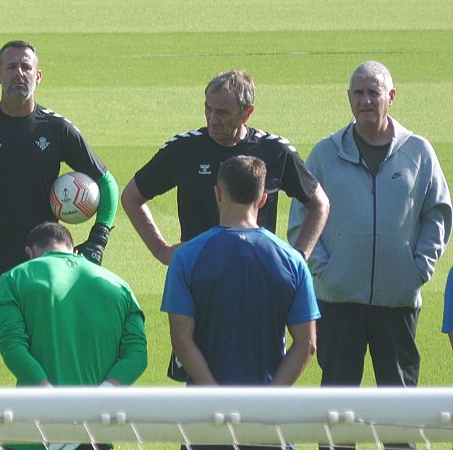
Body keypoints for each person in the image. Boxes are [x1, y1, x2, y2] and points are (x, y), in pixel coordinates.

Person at [122, 69, 329, 381]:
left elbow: (319, 203)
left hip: (256, 284)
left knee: (257, 370)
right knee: (195, 364)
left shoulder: (274, 151)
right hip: (200, 283)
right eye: (208, 108)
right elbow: (132, 196)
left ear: (247, 112)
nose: (212, 119)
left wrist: (300, 255)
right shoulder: (184, 150)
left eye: (223, 112)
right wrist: (161, 249)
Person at [0, 40, 119, 386]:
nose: (18, 73)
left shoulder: (57, 129)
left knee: (45, 350)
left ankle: (45, 431)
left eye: (25, 67)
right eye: (11, 67)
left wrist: (98, 239)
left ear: (39, 75)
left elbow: (106, 183)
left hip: (42, 261)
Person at [288, 61, 452, 391]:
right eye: (358, 93)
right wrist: (325, 269)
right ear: (348, 97)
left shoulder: (418, 151)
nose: (365, 101)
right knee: (336, 402)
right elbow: (301, 218)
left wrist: (419, 267)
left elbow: (438, 211)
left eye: (373, 93)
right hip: (337, 300)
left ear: (391, 97)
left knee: (400, 403)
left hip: (397, 300)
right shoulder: (325, 153)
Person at [162, 156, 318, 450]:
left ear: (218, 194)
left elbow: (181, 339)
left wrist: (217, 401)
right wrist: (266, 403)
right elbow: (306, 344)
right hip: (268, 426)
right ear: (263, 199)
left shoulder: (186, 258)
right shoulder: (292, 261)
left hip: (205, 422)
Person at [0, 222, 147, 450]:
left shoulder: (13, 279)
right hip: (93, 436)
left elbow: (13, 348)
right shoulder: (120, 287)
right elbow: (137, 356)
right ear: (73, 250)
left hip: (31, 435)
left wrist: (54, 400)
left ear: (30, 253)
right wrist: (96, 402)